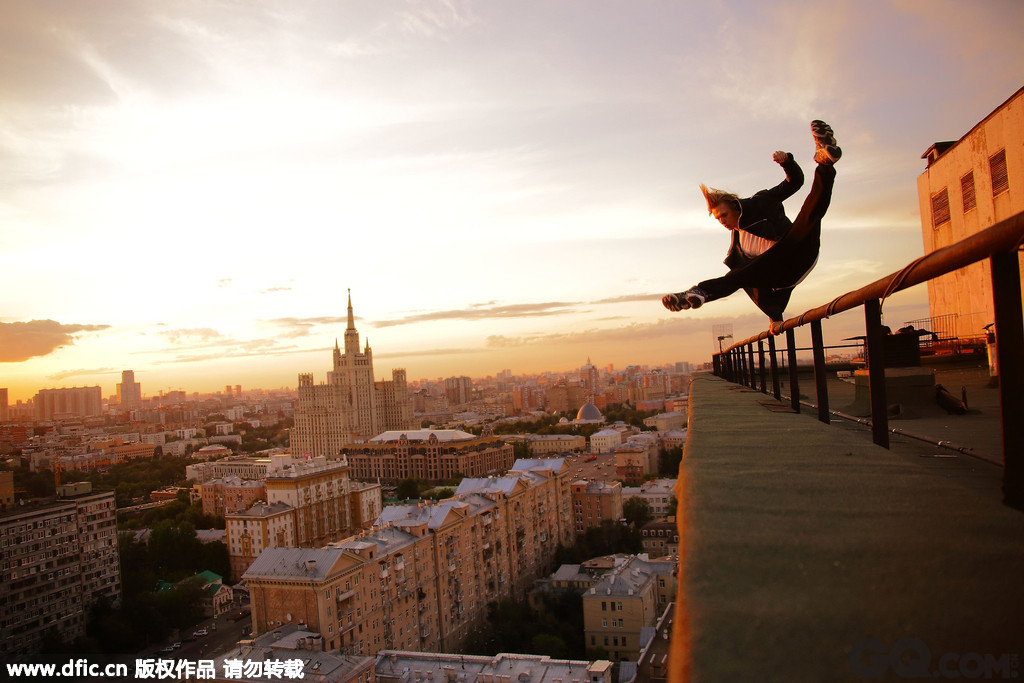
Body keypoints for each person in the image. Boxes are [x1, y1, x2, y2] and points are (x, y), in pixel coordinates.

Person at [662, 120, 841, 324]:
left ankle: (824, 164)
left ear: (735, 207)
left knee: (811, 213)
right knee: (741, 275)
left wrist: (787, 162)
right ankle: (698, 294)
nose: (722, 221)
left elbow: (795, 183)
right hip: (780, 274)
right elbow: (749, 282)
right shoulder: (737, 248)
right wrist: (775, 318)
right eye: (717, 218)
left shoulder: (759, 203)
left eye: (724, 215)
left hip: (798, 250)